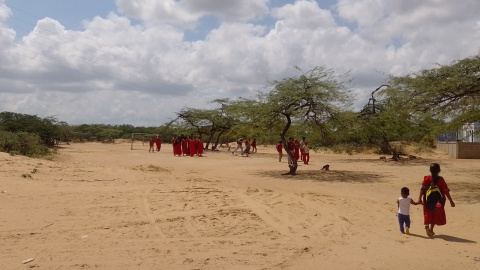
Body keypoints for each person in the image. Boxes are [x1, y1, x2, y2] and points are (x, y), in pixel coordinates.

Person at [417, 163, 455, 238]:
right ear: (439, 170)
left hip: (427, 200)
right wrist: (451, 201)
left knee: (427, 213)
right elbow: (445, 191)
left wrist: (419, 198)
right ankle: (431, 229)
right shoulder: (440, 179)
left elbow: (422, 189)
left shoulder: (427, 178)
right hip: (438, 202)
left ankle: (427, 226)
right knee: (435, 214)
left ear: (430, 170)